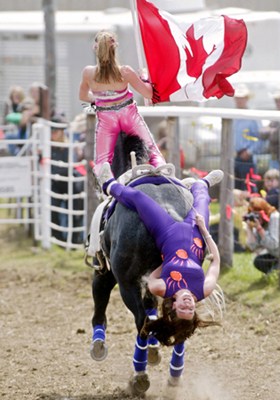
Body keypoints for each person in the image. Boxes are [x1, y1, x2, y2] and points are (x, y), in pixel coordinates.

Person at [99, 161, 223, 346]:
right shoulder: (204, 289)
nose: (188, 304)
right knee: (203, 200)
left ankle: (108, 183)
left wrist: (167, 262)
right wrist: (205, 232)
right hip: (195, 232)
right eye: (190, 309)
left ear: (174, 306)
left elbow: (151, 278)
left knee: (139, 198)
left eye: (183, 307)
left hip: (167, 230)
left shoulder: (163, 289)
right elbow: (215, 264)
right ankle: (201, 183)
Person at [78, 30, 166, 185]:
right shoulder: (125, 71)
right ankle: (165, 174)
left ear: (95, 49)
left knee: (102, 160)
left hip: (106, 119)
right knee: (152, 150)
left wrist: (101, 99)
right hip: (128, 116)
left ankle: (107, 186)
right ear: (114, 48)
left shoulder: (88, 72)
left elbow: (83, 97)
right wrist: (144, 76)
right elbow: (148, 93)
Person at [50, 114, 84, 244]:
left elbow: (78, 162)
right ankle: (58, 239)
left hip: (68, 179)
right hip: (55, 181)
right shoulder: (48, 146)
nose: (54, 133)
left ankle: (74, 240)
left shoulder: (70, 145)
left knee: (75, 209)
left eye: (56, 130)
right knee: (54, 210)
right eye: (52, 130)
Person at [245, 197, 280, 274]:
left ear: (264, 212)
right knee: (258, 261)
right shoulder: (260, 222)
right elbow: (253, 246)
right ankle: (275, 272)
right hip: (278, 255)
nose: (255, 217)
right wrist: (249, 228)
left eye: (257, 214)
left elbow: (273, 244)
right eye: (252, 214)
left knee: (273, 274)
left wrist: (259, 228)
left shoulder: (274, 217)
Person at [233, 84, 263, 192]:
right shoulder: (231, 115)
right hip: (234, 157)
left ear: (246, 99)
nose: (239, 100)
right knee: (235, 187)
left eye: (242, 97)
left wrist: (250, 151)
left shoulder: (253, 116)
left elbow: (261, 137)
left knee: (249, 187)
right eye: (237, 97)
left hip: (247, 157)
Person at [210, 188, 249, 253]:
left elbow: (215, 219)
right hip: (247, 241)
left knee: (215, 226)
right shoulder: (245, 208)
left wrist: (208, 216)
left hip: (240, 243)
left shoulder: (233, 211)